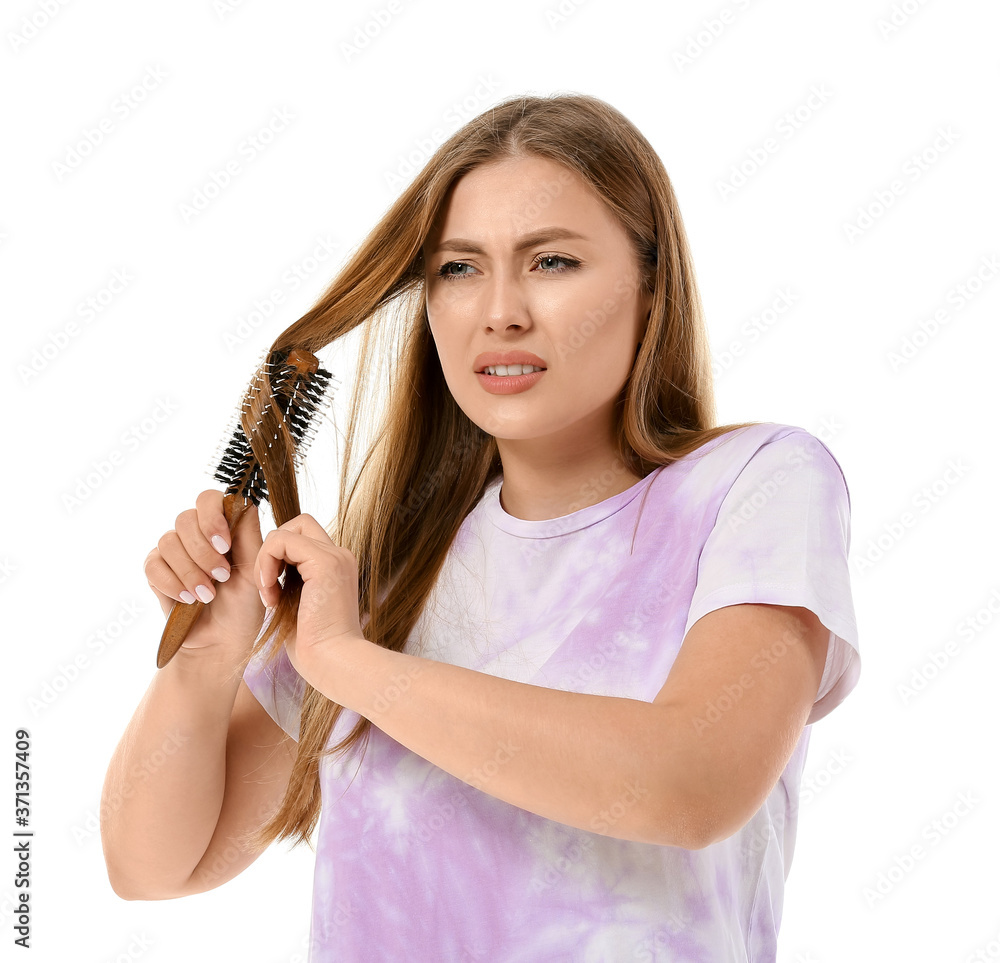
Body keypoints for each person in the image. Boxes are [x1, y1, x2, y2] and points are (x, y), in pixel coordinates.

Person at [100, 92, 860, 962]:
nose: (501, 310)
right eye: (459, 268)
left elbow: (691, 783)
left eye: (553, 262)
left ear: (651, 289)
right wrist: (207, 659)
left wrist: (352, 665)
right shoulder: (383, 569)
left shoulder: (757, 486)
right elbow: (154, 865)